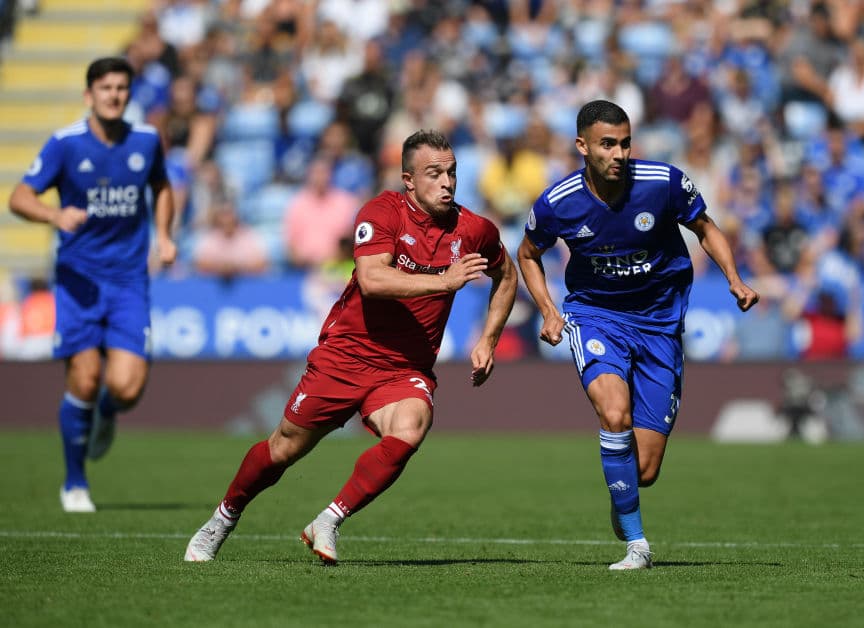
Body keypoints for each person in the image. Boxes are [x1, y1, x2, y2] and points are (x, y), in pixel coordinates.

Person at [184, 130, 518, 564]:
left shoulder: (473, 230)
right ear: (408, 180)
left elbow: (507, 275)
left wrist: (488, 338)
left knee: (412, 425)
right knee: (284, 448)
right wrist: (444, 281)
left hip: (404, 368)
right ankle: (222, 519)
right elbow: (372, 280)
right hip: (346, 356)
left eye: (452, 173)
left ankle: (328, 520)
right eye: (434, 174)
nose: (448, 183)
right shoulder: (381, 213)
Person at [516, 101, 759, 570]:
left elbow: (706, 229)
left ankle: (622, 495)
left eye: (625, 142)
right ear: (582, 146)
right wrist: (548, 310)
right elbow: (527, 254)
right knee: (614, 411)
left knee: (644, 470)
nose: (620, 153)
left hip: (660, 325)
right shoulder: (558, 202)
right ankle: (637, 545)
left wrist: (734, 278)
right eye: (608, 144)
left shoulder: (663, 183)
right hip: (596, 316)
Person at [7, 56, 177, 513]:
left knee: (126, 388)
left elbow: (161, 187)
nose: (114, 95)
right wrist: (53, 214)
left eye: (122, 87)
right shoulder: (65, 144)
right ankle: (75, 482)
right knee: (83, 376)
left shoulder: (145, 140)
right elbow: (19, 197)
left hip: (128, 281)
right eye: (106, 88)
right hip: (78, 280)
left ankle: (107, 414)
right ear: (89, 95)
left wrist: (163, 235)